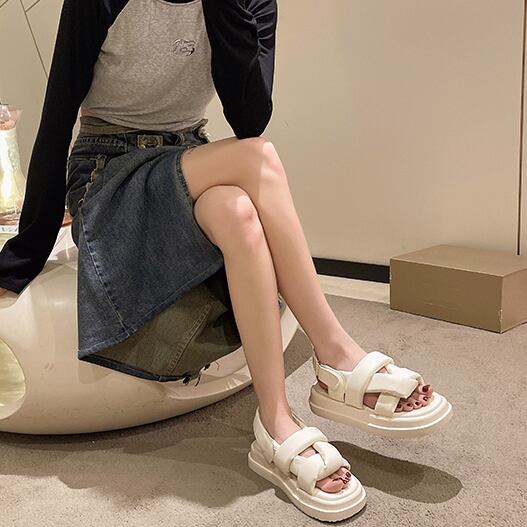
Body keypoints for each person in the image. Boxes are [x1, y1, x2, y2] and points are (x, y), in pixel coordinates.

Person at [0, 0, 452, 520]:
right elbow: (58, 115)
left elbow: (249, 116)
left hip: (189, 157)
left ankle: (275, 421)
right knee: (260, 158)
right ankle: (337, 356)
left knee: (237, 211)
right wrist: (24, 255)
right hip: (108, 170)